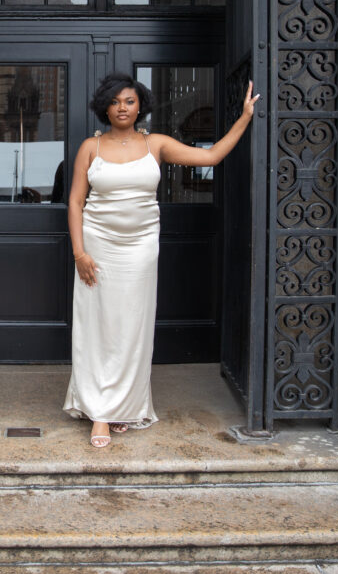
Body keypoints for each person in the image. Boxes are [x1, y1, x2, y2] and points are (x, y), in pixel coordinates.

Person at [63, 71, 259, 448]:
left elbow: (212, 156)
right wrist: (79, 252)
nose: (122, 108)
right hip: (97, 246)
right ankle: (99, 412)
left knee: (132, 326)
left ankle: (124, 404)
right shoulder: (91, 147)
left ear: (141, 106)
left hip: (140, 247)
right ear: (105, 107)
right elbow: (75, 202)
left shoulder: (156, 144)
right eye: (115, 102)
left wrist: (245, 117)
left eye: (129, 101)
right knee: (98, 326)